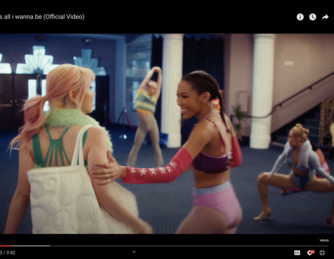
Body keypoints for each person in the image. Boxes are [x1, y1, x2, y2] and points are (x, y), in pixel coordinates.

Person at [4, 64, 152, 234]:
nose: (93, 93)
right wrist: (137, 225)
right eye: (90, 87)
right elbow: (102, 195)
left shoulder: (31, 136)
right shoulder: (94, 134)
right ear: (73, 95)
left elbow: (21, 195)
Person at [91, 70, 243, 234]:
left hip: (212, 209)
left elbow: (170, 173)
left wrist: (124, 171)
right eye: (177, 96)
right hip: (231, 203)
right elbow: (235, 160)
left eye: (184, 96)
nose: (178, 102)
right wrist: (203, 162)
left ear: (205, 97)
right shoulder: (223, 118)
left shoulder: (203, 129)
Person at [254, 123, 334, 227]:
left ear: (298, 140)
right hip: (293, 180)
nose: (288, 139)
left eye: (290, 137)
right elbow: (280, 159)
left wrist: (331, 179)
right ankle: (266, 210)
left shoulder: (310, 155)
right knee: (262, 178)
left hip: (311, 183)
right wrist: (271, 173)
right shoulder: (289, 148)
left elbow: (320, 170)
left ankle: (331, 217)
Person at [126, 66, 163, 167]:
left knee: (156, 146)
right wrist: (152, 70)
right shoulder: (141, 93)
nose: (155, 90)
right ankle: (130, 166)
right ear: (148, 87)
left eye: (156, 89)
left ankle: (159, 166)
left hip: (152, 124)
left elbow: (159, 86)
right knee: (136, 146)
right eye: (153, 88)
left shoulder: (155, 97)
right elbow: (146, 80)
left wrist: (160, 73)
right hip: (142, 126)